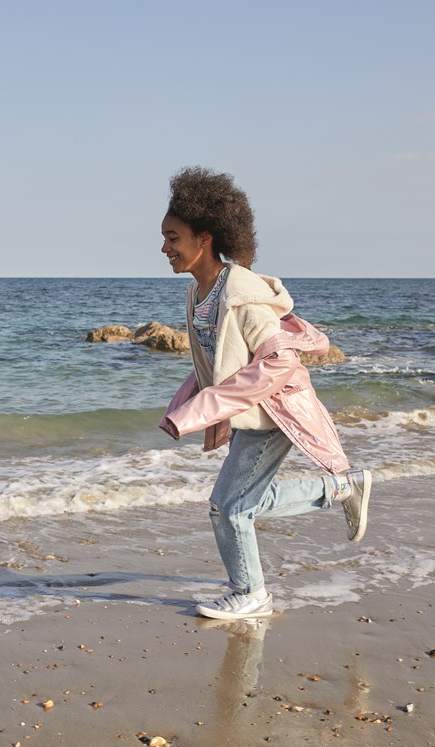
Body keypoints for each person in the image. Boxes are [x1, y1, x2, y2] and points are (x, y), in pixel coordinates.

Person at [158, 166, 372, 621]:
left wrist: (205, 408)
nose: (164, 248)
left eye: (173, 238)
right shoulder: (199, 294)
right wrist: (184, 407)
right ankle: (340, 487)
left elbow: (279, 363)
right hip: (249, 413)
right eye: (164, 238)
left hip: (274, 413)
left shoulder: (244, 296)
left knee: (227, 508)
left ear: (204, 238)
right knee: (244, 503)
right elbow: (214, 363)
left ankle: (250, 593)